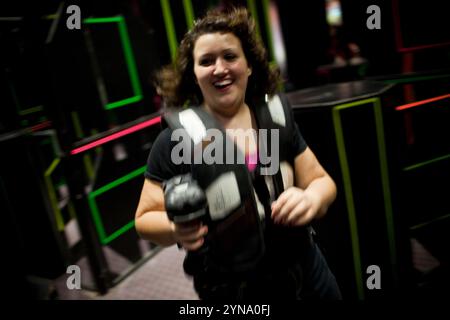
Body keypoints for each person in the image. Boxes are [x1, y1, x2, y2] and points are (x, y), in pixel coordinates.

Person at [135, 6, 341, 300]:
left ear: (249, 65)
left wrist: (312, 197)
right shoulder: (175, 139)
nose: (220, 68)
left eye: (230, 56)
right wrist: (174, 230)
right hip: (234, 289)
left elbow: (323, 182)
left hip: (306, 268)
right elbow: (143, 219)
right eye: (206, 61)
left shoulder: (275, 120)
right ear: (193, 75)